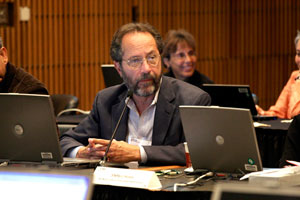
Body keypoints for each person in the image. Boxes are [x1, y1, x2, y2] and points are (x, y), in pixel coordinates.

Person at [60, 23, 211, 166]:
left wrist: (139, 152)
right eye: (135, 61)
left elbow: (200, 150)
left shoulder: (192, 100)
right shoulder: (106, 100)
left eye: (152, 58)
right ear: (118, 68)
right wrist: (82, 153)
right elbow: (66, 140)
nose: (146, 68)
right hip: (114, 189)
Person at [256, 31, 300, 119]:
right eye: (298, 54)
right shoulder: (295, 76)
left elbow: (296, 115)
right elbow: (279, 112)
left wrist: (298, 84)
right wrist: (261, 113)